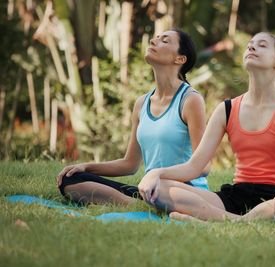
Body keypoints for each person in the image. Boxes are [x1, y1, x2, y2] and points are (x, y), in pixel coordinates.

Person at [138, 32, 275, 222]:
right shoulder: (227, 109)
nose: (251, 47)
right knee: (160, 187)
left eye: (262, 45)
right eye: (250, 45)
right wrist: (156, 173)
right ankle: (238, 221)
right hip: (234, 197)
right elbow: (195, 166)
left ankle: (225, 221)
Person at [56, 29, 209, 205]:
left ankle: (154, 205)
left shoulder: (190, 100)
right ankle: (142, 205)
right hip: (151, 189)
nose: (153, 41)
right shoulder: (141, 103)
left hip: (183, 191)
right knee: (72, 180)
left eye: (164, 41)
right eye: (156, 38)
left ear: (180, 59)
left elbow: (203, 166)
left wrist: (159, 174)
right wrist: (86, 167)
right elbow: (129, 164)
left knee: (160, 192)